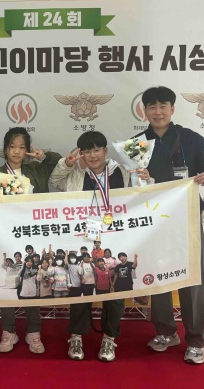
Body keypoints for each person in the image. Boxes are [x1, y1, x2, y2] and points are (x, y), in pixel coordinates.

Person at [49, 130, 151, 362]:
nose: (92, 155)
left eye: (96, 150)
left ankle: (109, 338)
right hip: (84, 241)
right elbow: (53, 182)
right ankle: (76, 335)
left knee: (115, 291)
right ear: (81, 154)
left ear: (105, 151)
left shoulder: (124, 171)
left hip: (117, 240)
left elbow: (144, 195)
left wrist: (146, 178)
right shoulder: (76, 175)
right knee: (81, 288)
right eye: (87, 151)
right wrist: (66, 164)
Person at [136, 85, 204, 365]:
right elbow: (131, 186)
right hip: (154, 220)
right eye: (152, 106)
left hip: (187, 218)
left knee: (192, 278)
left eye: (163, 106)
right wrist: (137, 177)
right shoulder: (137, 144)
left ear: (172, 109)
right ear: (145, 111)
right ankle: (165, 332)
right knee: (159, 276)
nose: (157, 112)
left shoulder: (191, 139)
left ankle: (196, 340)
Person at [0, 127, 61, 354]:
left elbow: (58, 162)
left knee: (32, 284)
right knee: (9, 284)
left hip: (32, 236)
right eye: (12, 147)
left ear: (27, 149)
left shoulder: (36, 169)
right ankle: (8, 331)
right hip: (5, 237)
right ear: (5, 149)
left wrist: (42, 156)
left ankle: (33, 331)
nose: (16, 151)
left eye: (22, 147)